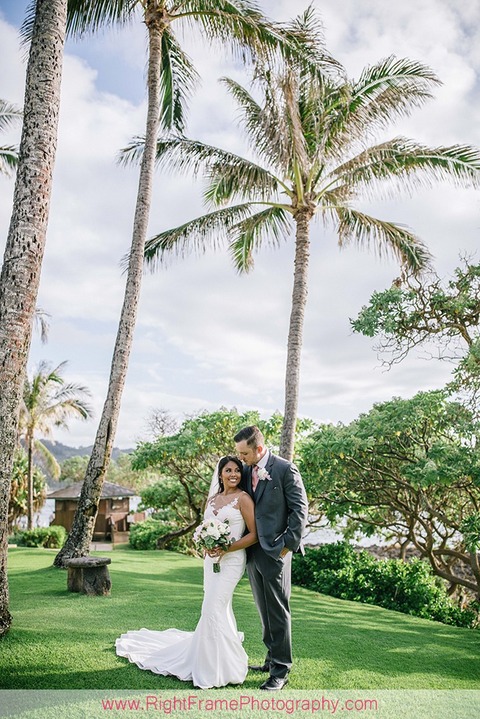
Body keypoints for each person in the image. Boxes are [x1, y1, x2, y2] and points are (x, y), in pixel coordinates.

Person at [115, 455, 257, 689]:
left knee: (211, 608)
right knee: (220, 609)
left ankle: (219, 667)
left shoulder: (243, 499)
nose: (233, 474)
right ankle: (220, 660)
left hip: (232, 562)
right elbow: (205, 530)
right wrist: (207, 545)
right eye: (228, 470)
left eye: (237, 471)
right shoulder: (212, 500)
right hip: (211, 562)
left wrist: (225, 547)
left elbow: (254, 535)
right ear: (220, 473)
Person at [234, 425, 308, 691]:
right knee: (264, 611)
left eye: (244, 453)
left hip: (276, 552)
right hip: (253, 551)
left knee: (278, 612)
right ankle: (270, 659)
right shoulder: (245, 469)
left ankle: (281, 671)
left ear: (259, 449)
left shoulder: (285, 469)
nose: (241, 458)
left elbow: (300, 510)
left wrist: (287, 546)